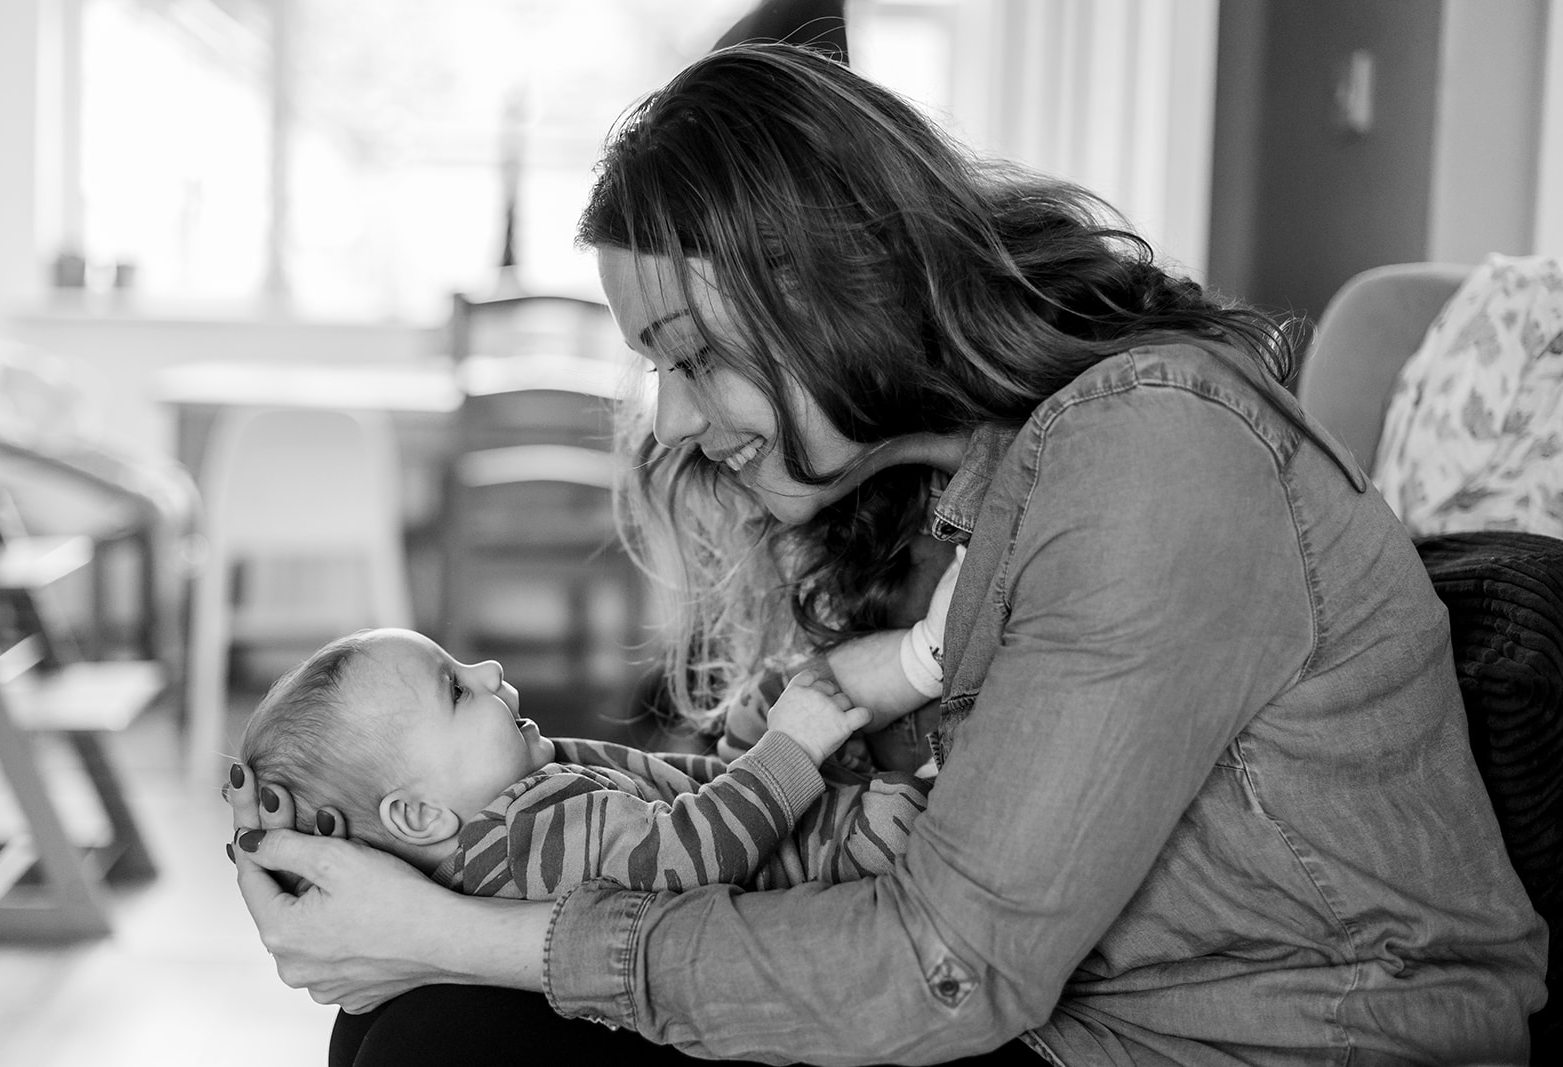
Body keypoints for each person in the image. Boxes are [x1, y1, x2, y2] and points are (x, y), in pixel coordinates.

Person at [227, 43, 1548, 1066]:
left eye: (693, 357)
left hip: (1256, 1039)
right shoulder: (923, 476)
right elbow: (730, 827)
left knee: (446, 1026)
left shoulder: (1156, 459)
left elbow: (945, 963)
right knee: (423, 1024)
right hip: (1061, 1020)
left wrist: (455, 932)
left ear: (835, 296)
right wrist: (382, 846)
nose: (674, 423)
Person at [237, 626, 935, 898]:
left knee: (769, 696)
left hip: (731, 805)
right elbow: (690, 851)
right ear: (419, 814)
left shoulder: (516, 791)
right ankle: (937, 682)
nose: (489, 667)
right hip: (798, 855)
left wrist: (762, 745)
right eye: (455, 686)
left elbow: (660, 791)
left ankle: (927, 654)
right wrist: (789, 752)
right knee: (894, 816)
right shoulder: (519, 845)